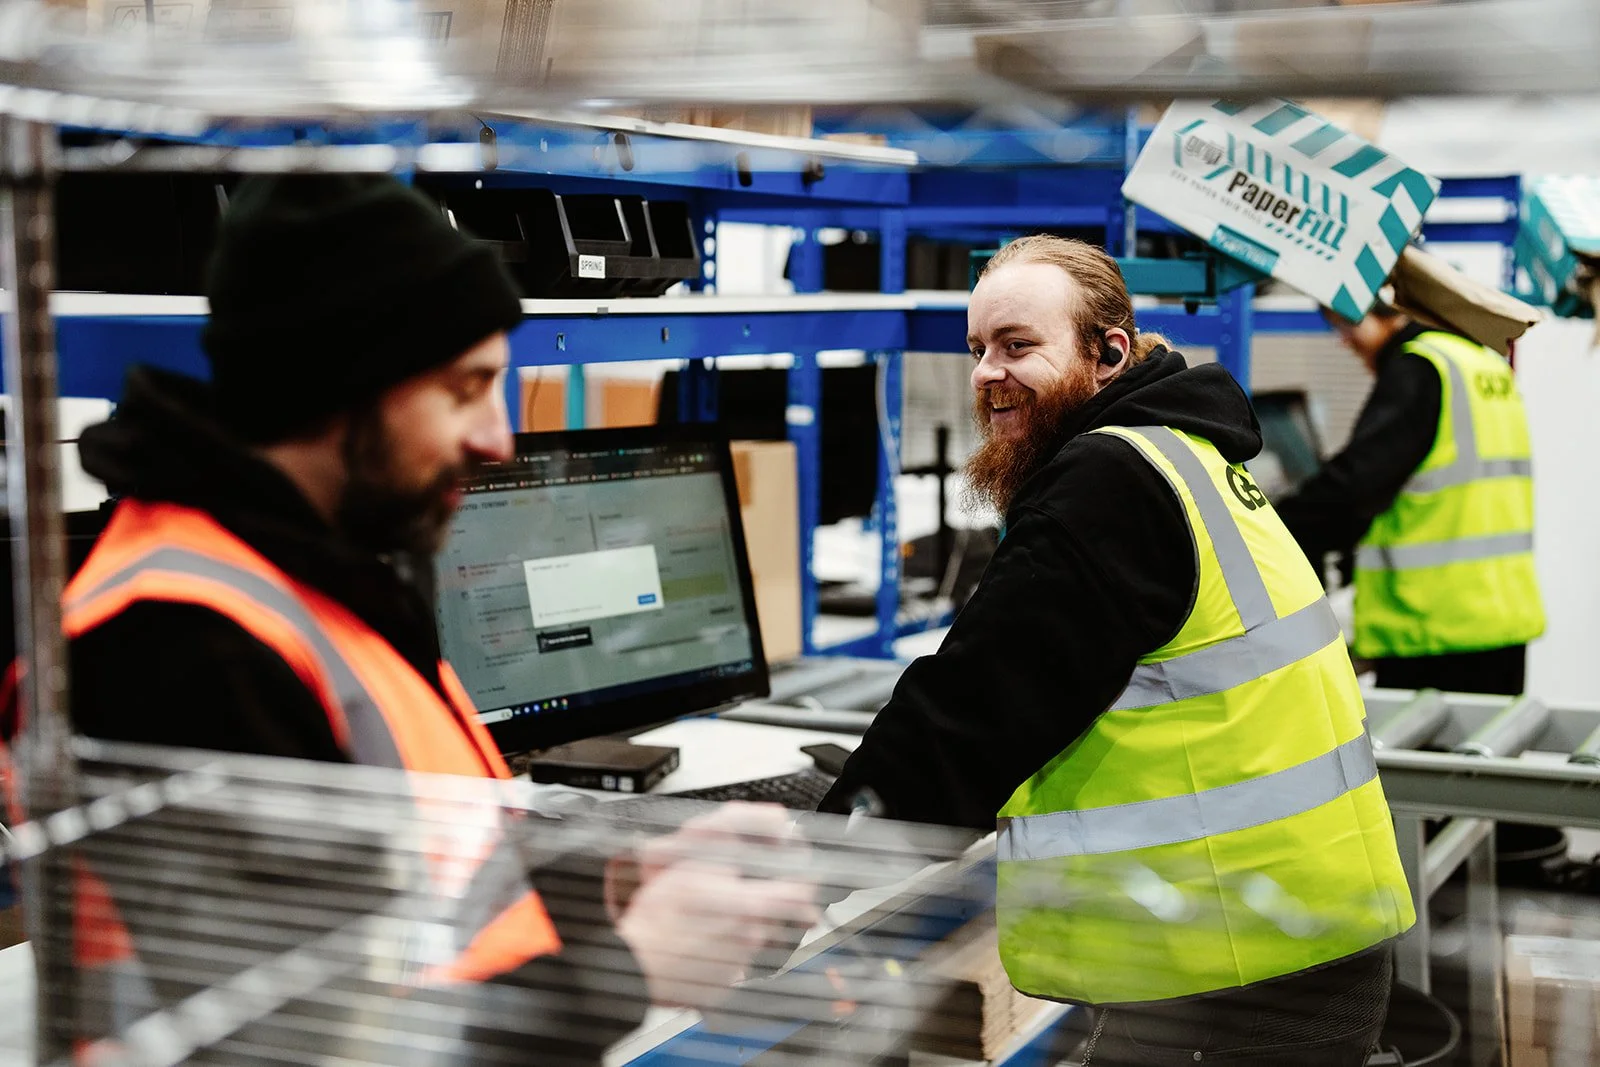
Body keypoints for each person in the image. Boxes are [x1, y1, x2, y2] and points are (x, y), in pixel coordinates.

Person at [7, 174, 815, 1063]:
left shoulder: (320, 576)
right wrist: (630, 966)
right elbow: (300, 1042)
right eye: (467, 389)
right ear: (342, 386)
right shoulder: (174, 643)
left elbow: (431, 869)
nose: (497, 439)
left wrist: (620, 879)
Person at [819, 236, 1414, 1065]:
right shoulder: (1180, 451)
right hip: (1285, 930)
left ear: (1108, 354)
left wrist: (807, 863)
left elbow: (968, 712)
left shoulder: (1111, 478)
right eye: (977, 348)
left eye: (1018, 345)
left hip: (1239, 968)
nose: (988, 372)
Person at [1275, 301, 1544, 697]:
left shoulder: (1421, 367)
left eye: (1346, 324)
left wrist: (1268, 527)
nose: (1344, 341)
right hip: (1500, 620)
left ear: (1388, 308)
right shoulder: (1480, 362)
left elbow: (1355, 484)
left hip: (1435, 629)